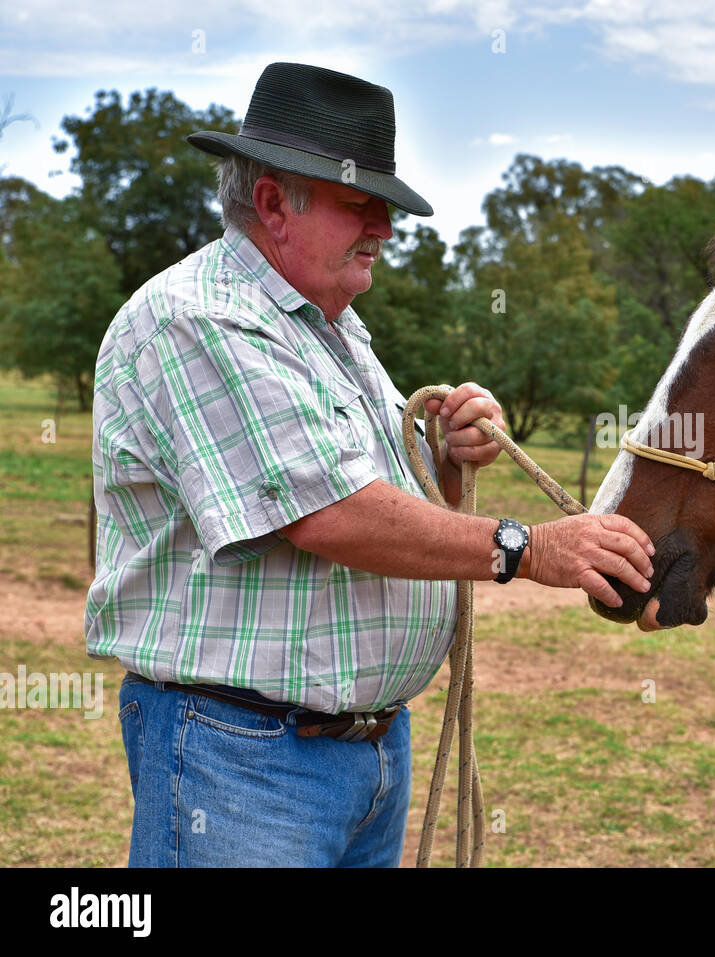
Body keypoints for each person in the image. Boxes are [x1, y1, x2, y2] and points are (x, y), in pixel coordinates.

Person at [85, 62, 654, 867]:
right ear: (276, 202)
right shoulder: (198, 319)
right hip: (242, 757)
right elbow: (332, 513)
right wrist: (531, 547)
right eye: (364, 204)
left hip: (361, 752)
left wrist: (448, 461)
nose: (385, 228)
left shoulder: (333, 325)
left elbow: (383, 494)